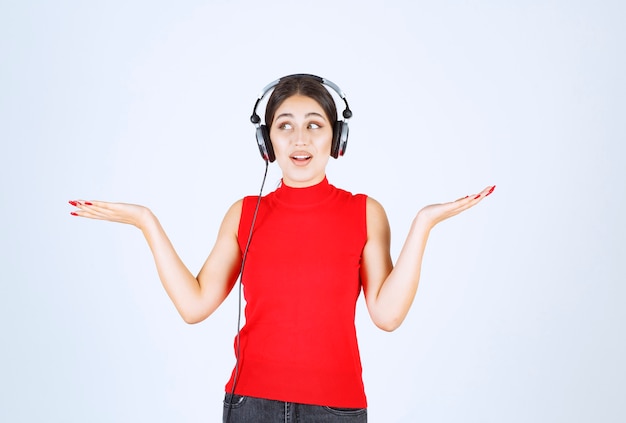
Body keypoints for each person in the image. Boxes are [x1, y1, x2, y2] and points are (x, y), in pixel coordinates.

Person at [69, 74, 495, 422]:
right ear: (267, 141)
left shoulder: (365, 212)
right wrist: (147, 221)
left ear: (337, 137)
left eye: (314, 124)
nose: (299, 140)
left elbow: (387, 316)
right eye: (284, 125)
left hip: (336, 408)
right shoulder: (245, 213)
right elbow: (193, 305)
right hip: (249, 405)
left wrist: (423, 224)